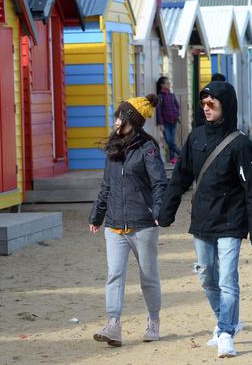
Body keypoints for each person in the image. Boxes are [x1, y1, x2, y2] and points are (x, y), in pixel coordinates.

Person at [158, 81, 252, 359]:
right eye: (203, 104)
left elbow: (251, 188)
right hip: (202, 221)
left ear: (225, 106)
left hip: (231, 221)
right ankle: (226, 320)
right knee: (206, 276)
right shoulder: (195, 138)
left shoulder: (240, 144)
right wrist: (165, 212)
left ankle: (226, 332)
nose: (206, 109)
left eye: (211, 104)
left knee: (228, 280)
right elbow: (180, 177)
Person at [89, 94, 167, 347]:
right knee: (115, 274)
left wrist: (157, 211)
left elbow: (159, 183)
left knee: (148, 276)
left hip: (142, 224)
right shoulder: (114, 148)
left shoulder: (148, 148)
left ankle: (153, 321)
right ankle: (113, 325)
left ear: (130, 120)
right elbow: (106, 186)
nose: (115, 121)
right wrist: (97, 215)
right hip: (114, 225)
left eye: (119, 116)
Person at [156, 76, 181, 164]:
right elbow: (158, 111)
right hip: (165, 122)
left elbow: (177, 106)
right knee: (169, 140)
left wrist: (177, 114)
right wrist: (160, 123)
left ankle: (172, 159)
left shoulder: (171, 95)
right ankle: (181, 154)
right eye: (167, 83)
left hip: (173, 121)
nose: (169, 84)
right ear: (162, 85)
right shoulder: (160, 97)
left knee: (172, 141)